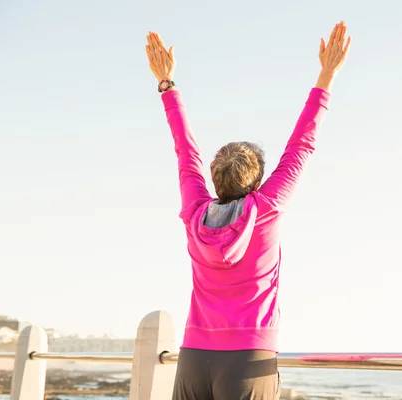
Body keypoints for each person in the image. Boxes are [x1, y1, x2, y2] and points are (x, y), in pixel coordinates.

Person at [145, 21, 351, 400]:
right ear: (256, 182)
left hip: (193, 357)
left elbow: (184, 150)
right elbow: (301, 145)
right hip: (248, 359)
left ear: (214, 178)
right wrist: (327, 74)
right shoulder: (267, 207)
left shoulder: (195, 214)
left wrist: (166, 84)